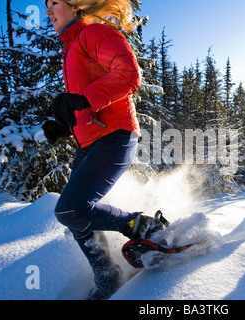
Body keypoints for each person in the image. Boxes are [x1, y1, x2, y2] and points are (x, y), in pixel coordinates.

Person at [42, 0, 164, 300]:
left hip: (115, 135)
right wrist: (64, 123)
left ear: (74, 7)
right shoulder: (70, 48)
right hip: (89, 142)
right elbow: (84, 100)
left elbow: (129, 75)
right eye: (45, 5)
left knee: (70, 209)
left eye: (54, 2)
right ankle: (108, 278)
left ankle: (142, 225)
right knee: (76, 217)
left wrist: (81, 100)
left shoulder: (94, 33)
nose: (48, 10)